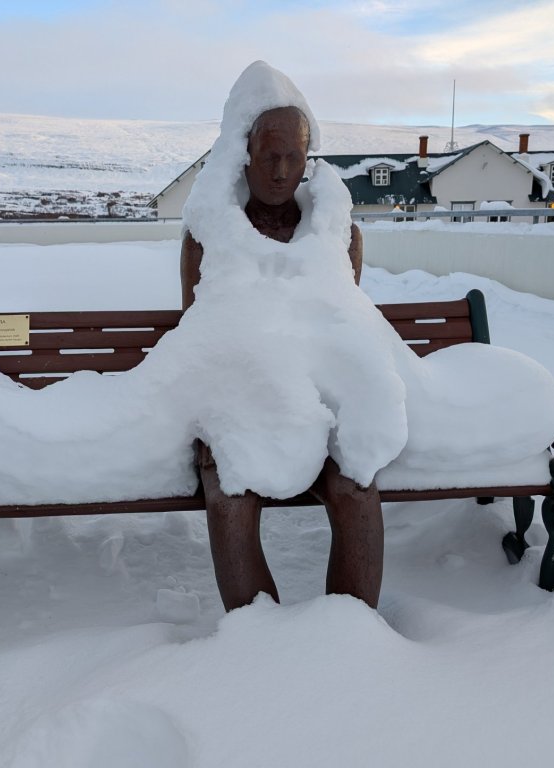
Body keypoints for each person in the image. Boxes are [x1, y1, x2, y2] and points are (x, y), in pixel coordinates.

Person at [180, 105, 383, 612]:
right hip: (238, 401)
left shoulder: (338, 237)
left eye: (293, 157)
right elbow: (199, 338)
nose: (280, 172)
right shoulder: (208, 240)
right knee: (230, 499)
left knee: (356, 490)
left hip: (319, 404)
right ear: (243, 158)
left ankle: (351, 633)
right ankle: (259, 643)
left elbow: (343, 331)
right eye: (269, 156)